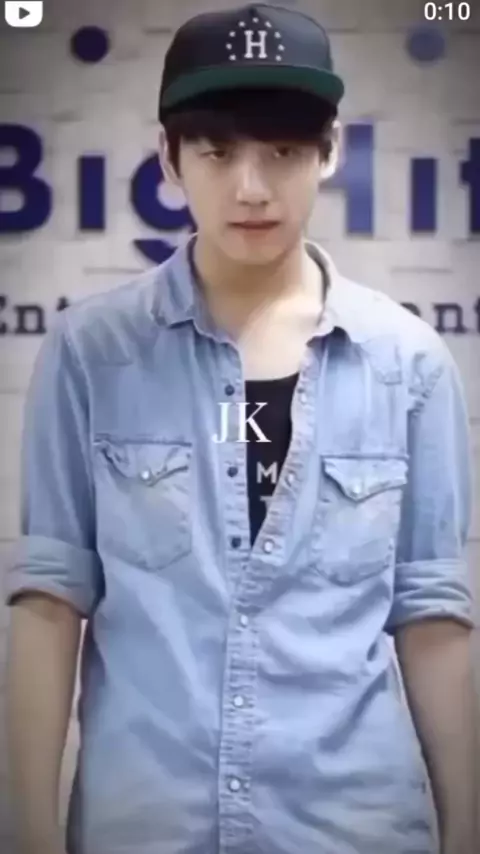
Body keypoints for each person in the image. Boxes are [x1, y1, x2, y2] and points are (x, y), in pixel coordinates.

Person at [4, 4, 479, 854]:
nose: (251, 187)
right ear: (170, 158)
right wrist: (28, 833)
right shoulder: (91, 352)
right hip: (144, 827)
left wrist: (469, 829)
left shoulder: (407, 363)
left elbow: (432, 617)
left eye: (284, 152)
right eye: (218, 152)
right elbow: (50, 601)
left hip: (351, 828)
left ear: (329, 152)